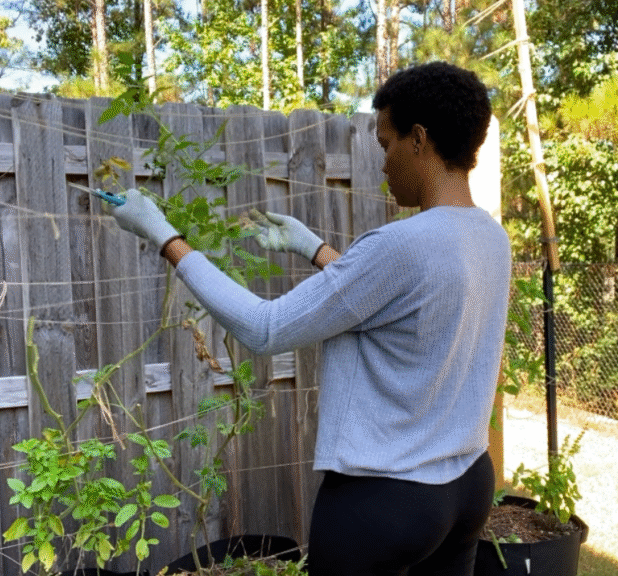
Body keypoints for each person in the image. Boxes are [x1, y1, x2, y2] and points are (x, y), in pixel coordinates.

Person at [108, 61, 511, 576]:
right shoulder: (489, 237)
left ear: (419, 139)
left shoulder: (400, 244)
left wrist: (163, 235)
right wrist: (314, 247)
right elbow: (393, 300)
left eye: (385, 145)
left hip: (385, 501)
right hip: (467, 487)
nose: (383, 164)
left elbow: (266, 328)